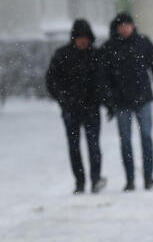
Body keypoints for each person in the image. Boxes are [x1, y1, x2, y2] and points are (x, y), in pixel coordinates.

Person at [101, 12, 153, 191]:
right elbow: (104, 77)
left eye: (127, 25)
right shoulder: (109, 48)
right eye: (121, 25)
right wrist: (108, 100)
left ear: (132, 26)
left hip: (143, 98)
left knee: (146, 137)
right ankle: (130, 179)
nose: (124, 28)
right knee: (125, 141)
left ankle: (148, 177)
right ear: (116, 28)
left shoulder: (143, 43)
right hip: (121, 101)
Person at [45, 19, 110, 194]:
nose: (82, 41)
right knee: (74, 147)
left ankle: (95, 179)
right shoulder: (61, 55)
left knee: (93, 145)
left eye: (85, 38)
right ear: (73, 38)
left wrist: (106, 102)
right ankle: (80, 182)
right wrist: (62, 98)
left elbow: (103, 82)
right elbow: (51, 81)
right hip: (70, 110)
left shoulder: (96, 56)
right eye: (79, 38)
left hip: (91, 109)